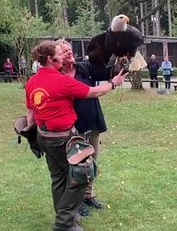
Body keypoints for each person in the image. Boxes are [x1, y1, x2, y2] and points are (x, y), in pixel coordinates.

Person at [25, 40, 127, 231]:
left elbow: (30, 112)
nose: (63, 56)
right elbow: (93, 91)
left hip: (44, 136)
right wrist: (114, 83)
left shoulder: (32, 82)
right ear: (50, 58)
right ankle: (64, 223)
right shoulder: (60, 80)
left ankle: (68, 219)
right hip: (62, 138)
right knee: (81, 175)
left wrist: (30, 131)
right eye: (59, 53)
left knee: (58, 178)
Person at [58, 40, 110, 217]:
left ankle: (88, 195)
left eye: (69, 50)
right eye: (64, 51)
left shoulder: (83, 68)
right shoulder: (58, 76)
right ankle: (76, 200)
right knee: (75, 166)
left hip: (93, 122)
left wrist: (120, 59)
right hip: (73, 128)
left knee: (91, 162)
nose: (69, 53)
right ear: (58, 56)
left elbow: (107, 71)